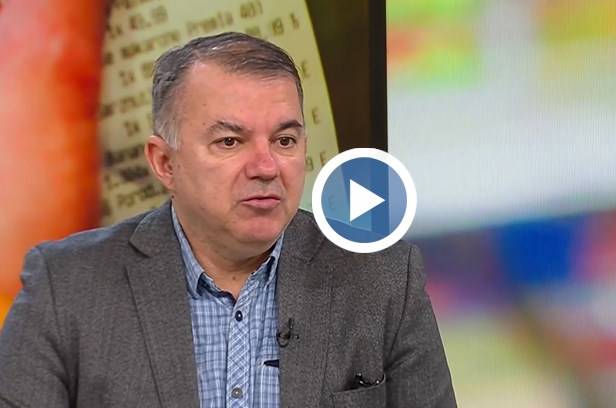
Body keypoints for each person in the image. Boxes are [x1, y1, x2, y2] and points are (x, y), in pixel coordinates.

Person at [0, 32, 456, 407]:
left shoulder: (382, 278)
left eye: (284, 140)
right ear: (164, 163)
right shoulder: (65, 286)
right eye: (230, 142)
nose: (266, 167)